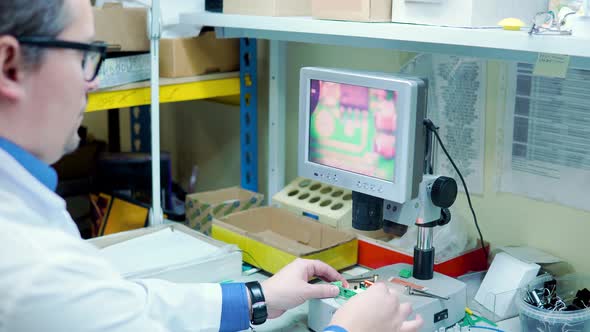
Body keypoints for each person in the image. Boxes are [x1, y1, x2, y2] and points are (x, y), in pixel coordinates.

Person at [0, 1, 424, 331]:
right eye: (84, 55)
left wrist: (261, 297)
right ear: (10, 64)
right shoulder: (30, 265)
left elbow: (119, 306)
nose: (91, 80)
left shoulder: (25, 212)